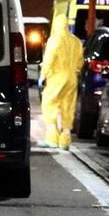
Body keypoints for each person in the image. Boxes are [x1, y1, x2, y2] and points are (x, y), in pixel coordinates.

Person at [38, 15, 83, 150]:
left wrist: (43, 75)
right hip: (72, 78)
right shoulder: (76, 41)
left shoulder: (55, 39)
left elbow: (49, 59)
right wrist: (75, 71)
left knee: (49, 104)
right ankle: (65, 140)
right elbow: (81, 61)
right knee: (68, 107)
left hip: (57, 77)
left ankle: (52, 139)